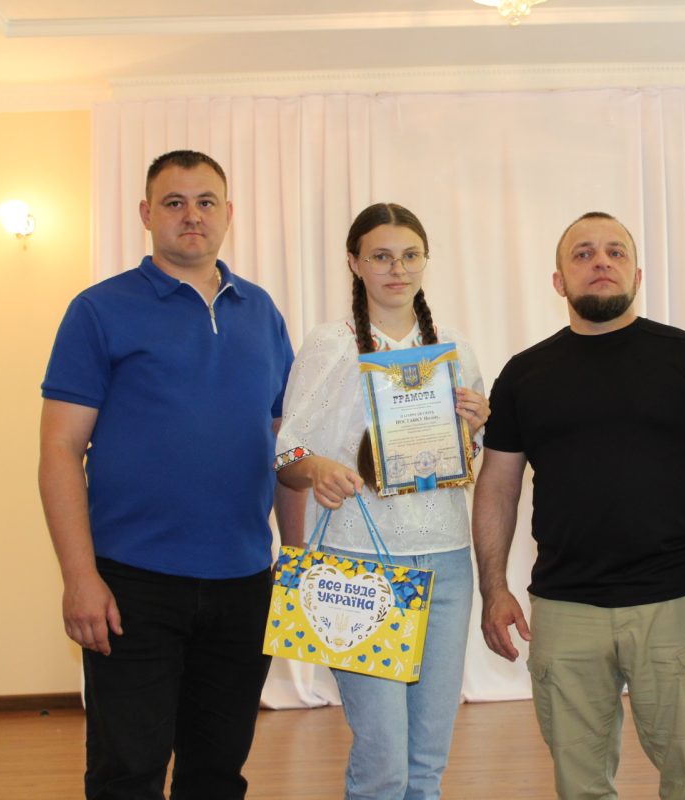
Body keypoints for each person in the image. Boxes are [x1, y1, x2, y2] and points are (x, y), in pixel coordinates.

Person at [38, 150, 298, 799]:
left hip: (244, 584)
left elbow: (285, 447)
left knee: (216, 774)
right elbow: (60, 450)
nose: (191, 215)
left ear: (228, 213)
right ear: (146, 214)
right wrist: (80, 578)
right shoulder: (99, 310)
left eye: (206, 202)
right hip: (131, 585)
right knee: (127, 774)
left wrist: (294, 565)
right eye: (174, 202)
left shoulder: (262, 312)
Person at [473, 211, 685, 800]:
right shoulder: (523, 375)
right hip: (565, 608)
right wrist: (493, 589)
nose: (600, 262)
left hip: (677, 605)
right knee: (580, 788)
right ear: (559, 281)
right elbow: (497, 487)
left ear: (637, 274)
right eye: (582, 254)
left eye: (615, 252)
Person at [273, 202, 490, 800]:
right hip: (359, 566)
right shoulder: (332, 344)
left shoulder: (454, 350)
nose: (398, 269)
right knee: (383, 764)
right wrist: (316, 468)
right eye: (382, 256)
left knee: (427, 763)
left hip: (447, 561)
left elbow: (472, 460)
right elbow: (287, 453)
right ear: (355, 263)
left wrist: (479, 423)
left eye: (410, 255)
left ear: (426, 260)